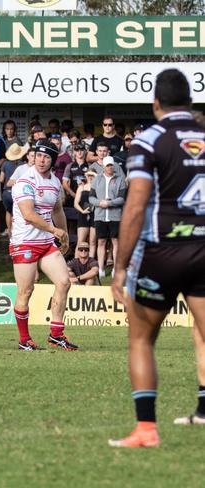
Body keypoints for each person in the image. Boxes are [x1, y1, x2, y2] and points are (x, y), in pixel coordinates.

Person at [110, 69, 205, 448]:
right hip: (204, 248)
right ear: (191, 102)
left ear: (155, 103)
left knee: (141, 340)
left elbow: (134, 208)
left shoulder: (148, 140)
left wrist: (119, 266)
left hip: (161, 251)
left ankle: (146, 430)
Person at [10, 141, 74, 351]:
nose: (41, 159)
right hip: (24, 242)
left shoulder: (55, 182)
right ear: (32, 157)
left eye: (46, 157)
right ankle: (24, 339)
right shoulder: (25, 181)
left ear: (53, 160)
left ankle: (56, 334)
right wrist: (55, 231)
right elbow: (28, 215)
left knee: (64, 282)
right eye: (38, 155)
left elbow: (57, 210)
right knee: (26, 290)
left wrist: (64, 235)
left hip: (46, 243)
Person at [89, 156, 127, 278]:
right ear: (104, 167)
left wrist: (108, 203)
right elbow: (91, 198)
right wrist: (100, 203)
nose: (110, 167)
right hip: (100, 216)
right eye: (108, 165)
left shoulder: (120, 179)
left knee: (116, 242)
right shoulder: (97, 179)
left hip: (115, 216)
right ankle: (100, 269)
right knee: (101, 241)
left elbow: (122, 198)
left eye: (111, 165)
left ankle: (116, 268)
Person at [74, 170, 97, 258]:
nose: (90, 177)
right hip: (83, 215)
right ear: (86, 176)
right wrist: (82, 211)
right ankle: (76, 263)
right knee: (80, 241)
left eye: (92, 175)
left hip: (94, 215)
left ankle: (90, 263)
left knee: (92, 242)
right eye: (89, 175)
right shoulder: (81, 187)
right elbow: (76, 203)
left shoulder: (98, 188)